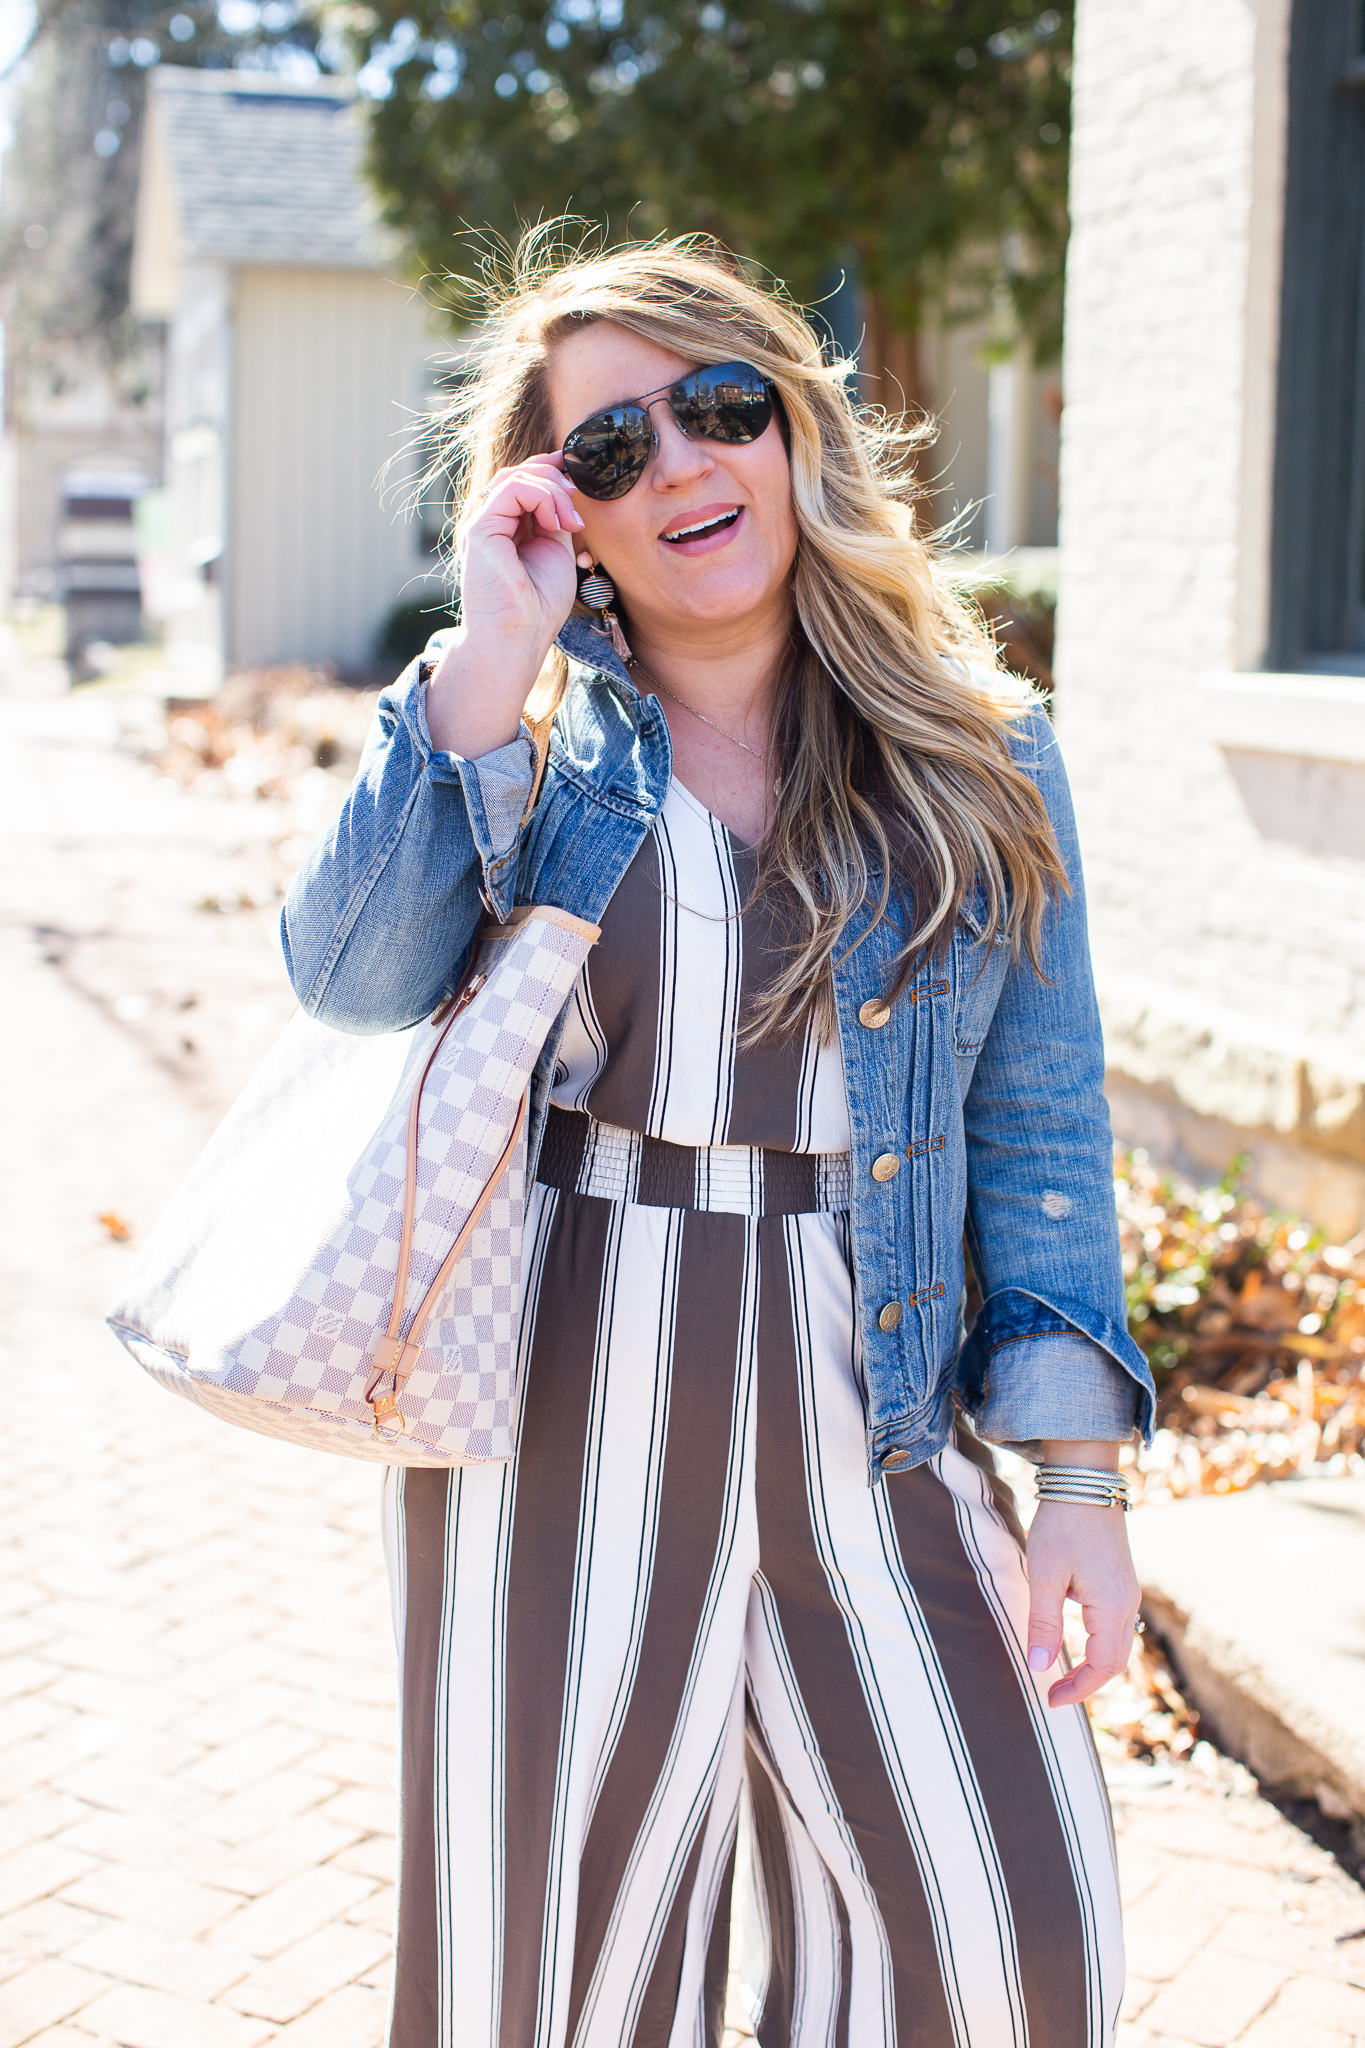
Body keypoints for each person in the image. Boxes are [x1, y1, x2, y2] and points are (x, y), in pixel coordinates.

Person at [282, 233, 1155, 2048]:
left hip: (878, 1400)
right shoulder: (526, 742)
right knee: (559, 1985)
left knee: (1015, 1949)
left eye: (719, 407)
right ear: (562, 508)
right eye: (606, 449)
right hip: (566, 1421)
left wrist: (1075, 1487)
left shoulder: (982, 749)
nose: (676, 462)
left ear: (792, 434)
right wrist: (483, 659)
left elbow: (1040, 1128)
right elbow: (351, 979)